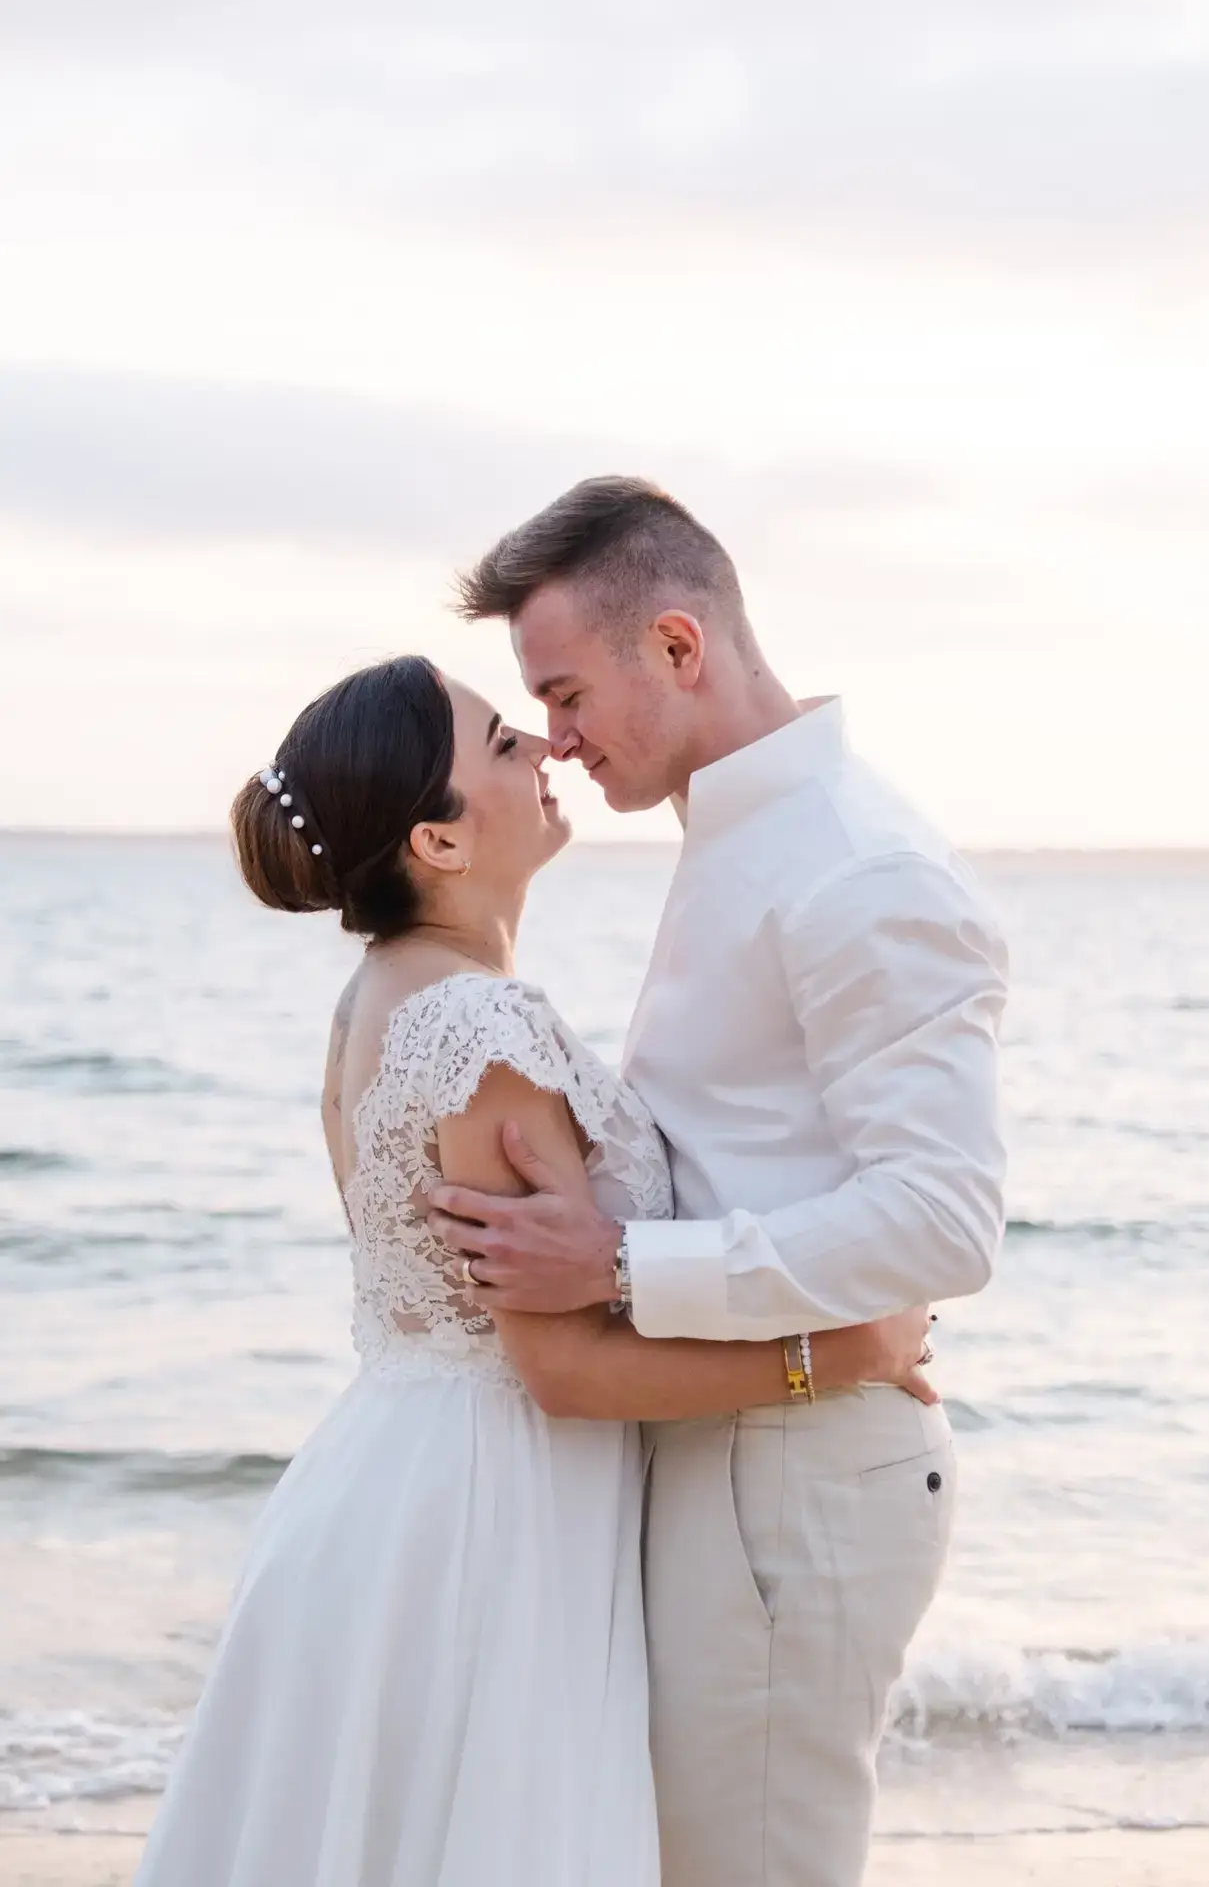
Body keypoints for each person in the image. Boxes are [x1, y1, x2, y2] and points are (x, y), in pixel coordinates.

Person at [132, 653, 936, 1887]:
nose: (546, 751)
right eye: (503, 744)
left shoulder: (378, 1000)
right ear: (436, 844)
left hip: (386, 1487)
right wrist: (842, 1351)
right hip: (486, 1512)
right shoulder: (478, 1027)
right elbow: (558, 1367)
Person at [430, 478, 1009, 1887]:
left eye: (565, 694)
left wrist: (617, 1272)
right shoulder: (742, 835)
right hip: (745, 1447)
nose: (554, 743)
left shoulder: (857, 866)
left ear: (678, 648)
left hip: (792, 1486)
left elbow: (942, 1217)